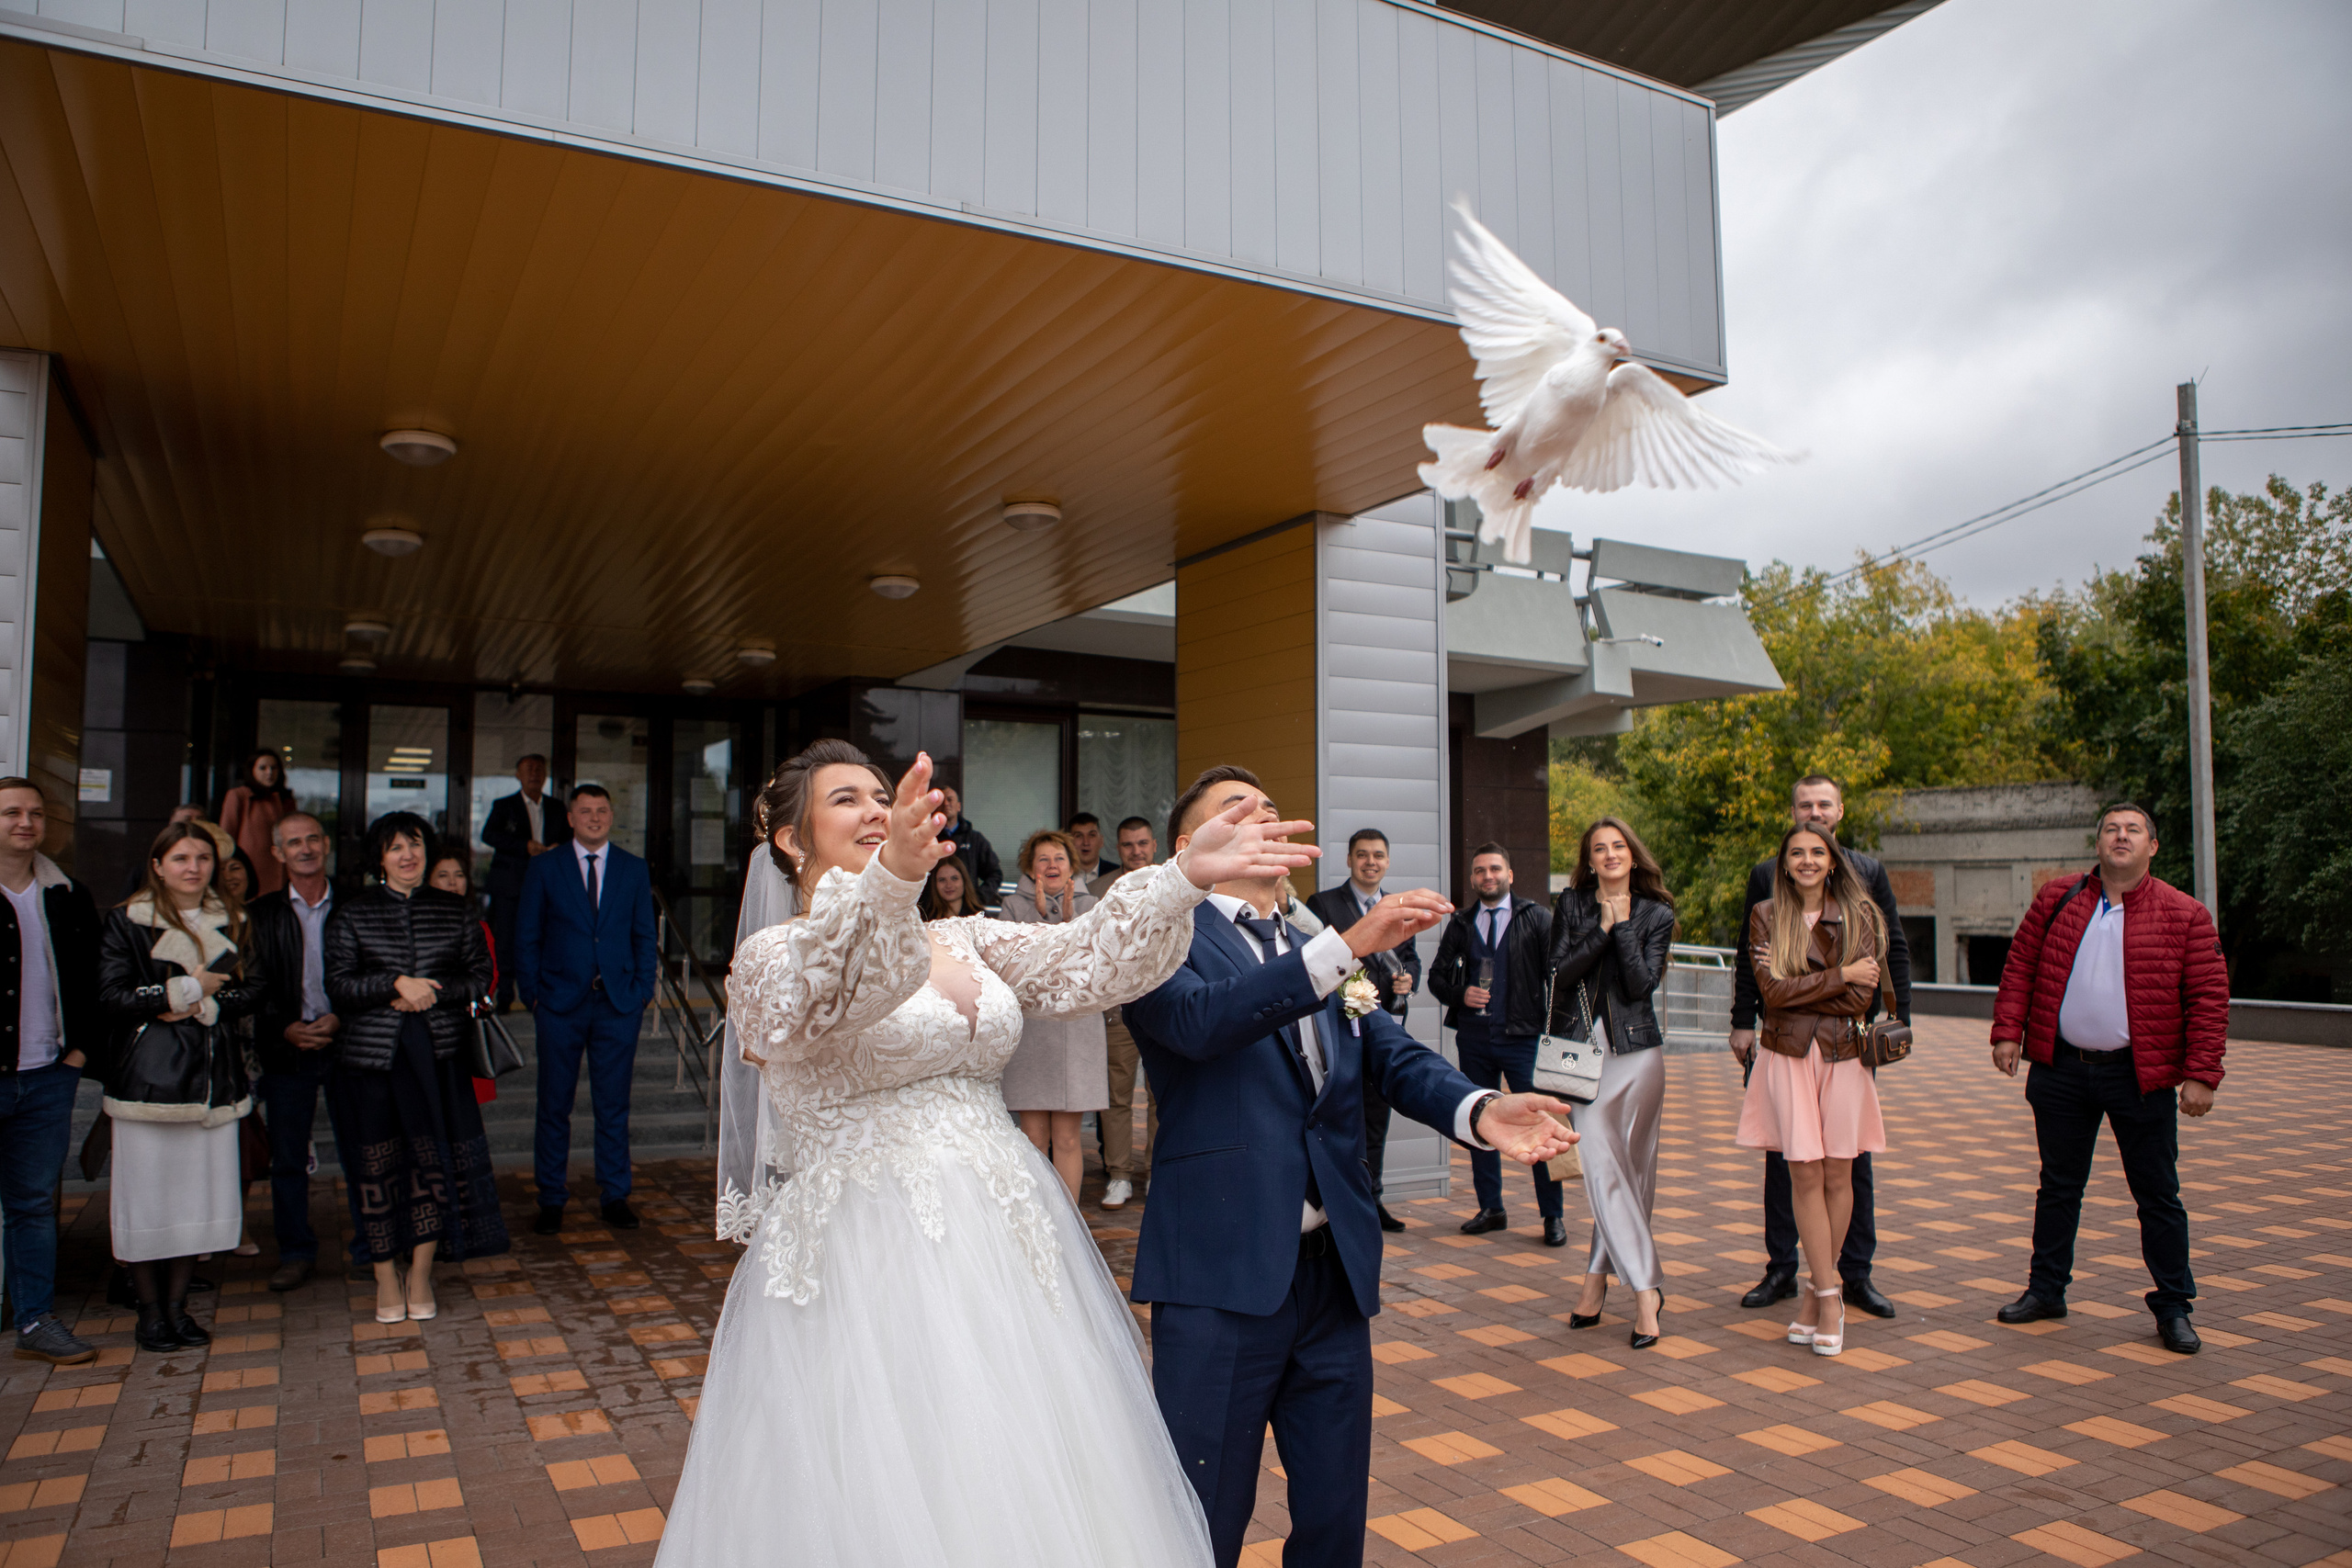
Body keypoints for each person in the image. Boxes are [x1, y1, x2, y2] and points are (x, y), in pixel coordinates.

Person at [659, 740, 1311, 1568]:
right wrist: (890, 881)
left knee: (1031, 1475)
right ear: (791, 839)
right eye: (847, 799)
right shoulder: (770, 960)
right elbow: (842, 990)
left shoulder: (967, 937)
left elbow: (1086, 959)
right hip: (865, 1259)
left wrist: (1182, 877)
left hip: (1004, 1248)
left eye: (882, 795)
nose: (876, 810)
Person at [1125, 768, 1575, 1568]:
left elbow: (1387, 1051)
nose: (1263, 817)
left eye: (1270, 807)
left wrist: (1477, 1109)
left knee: (1335, 1523)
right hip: (1220, 1277)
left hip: (1333, 1276)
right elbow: (1202, 1022)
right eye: (1237, 811)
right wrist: (1342, 947)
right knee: (1201, 1523)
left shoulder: (1318, 950)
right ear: (1189, 846)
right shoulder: (1158, 939)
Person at [1988, 804, 2225, 1357]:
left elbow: (2209, 999)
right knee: (2058, 1187)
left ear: (2152, 846)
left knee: (2157, 1195)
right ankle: (2046, 1290)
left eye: (2133, 830)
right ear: (2097, 843)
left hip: (2138, 1076)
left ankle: (2173, 1306)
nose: (2121, 837)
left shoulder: (2184, 914)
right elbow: (2020, 966)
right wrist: (2007, 1032)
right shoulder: (2057, 898)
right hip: (2061, 1069)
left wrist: (2202, 1074)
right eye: (2111, 830)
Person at [1728, 774, 1905, 1321]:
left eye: (1823, 804)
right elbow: (1764, 981)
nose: (1814, 812)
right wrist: (1744, 1018)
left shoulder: (1866, 879)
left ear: (1839, 812)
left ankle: (1853, 1275)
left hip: (1845, 1047)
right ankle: (1783, 1268)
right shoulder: (1766, 889)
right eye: (1804, 804)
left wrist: (1896, 1018)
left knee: (1847, 1165)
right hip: (1786, 1047)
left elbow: (1880, 969)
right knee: (1788, 1162)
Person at [324, 813, 505, 1324]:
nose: (408, 855)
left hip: (437, 1056)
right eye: (396, 847)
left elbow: (480, 977)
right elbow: (338, 984)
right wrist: (393, 985)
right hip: (372, 1062)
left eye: (416, 844)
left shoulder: (455, 910)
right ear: (379, 858)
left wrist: (429, 992)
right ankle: (385, 1274)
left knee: (432, 1167)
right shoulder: (353, 913)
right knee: (376, 1169)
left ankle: (420, 1272)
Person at [96, 821, 266, 1353]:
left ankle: (177, 1309)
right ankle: (149, 1314)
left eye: (203, 858)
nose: (193, 868)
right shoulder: (128, 919)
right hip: (148, 1081)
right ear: (157, 865)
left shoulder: (235, 918)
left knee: (196, 1202)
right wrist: (182, 990)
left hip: (213, 1082)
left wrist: (204, 1004)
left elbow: (256, 989)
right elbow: (112, 995)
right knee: (147, 1202)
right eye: (180, 858)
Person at [1549, 818, 1678, 1348]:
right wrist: (1601, 929)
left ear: (1632, 854)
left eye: (1618, 846)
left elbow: (1640, 984)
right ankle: (1647, 1291)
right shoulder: (1572, 904)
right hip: (1583, 1055)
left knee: (1631, 1172)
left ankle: (1595, 1281)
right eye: (1599, 848)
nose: (1609, 854)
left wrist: (1623, 926)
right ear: (1589, 859)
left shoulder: (1657, 913)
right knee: (1604, 1166)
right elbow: (1559, 973)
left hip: (1638, 1057)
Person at [514, 784, 657, 1235]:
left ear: (611, 816)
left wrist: (642, 992)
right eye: (585, 811)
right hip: (559, 1004)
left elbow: (644, 935)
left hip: (617, 1003)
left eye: (602, 810)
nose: (594, 817)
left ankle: (615, 1194)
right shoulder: (545, 868)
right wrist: (532, 995)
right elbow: (527, 935)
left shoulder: (633, 868)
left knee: (613, 1106)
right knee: (553, 1106)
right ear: (570, 819)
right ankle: (551, 1198)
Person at [0, 778, 104, 1365]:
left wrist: (79, 1053)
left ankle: (35, 1321)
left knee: (34, 1206)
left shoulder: (66, 893)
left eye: (35, 813)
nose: (25, 822)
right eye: (12, 812)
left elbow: (92, 979)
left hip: (46, 1076)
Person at [246, 811, 371, 1292]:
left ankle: (370, 1249)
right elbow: (253, 989)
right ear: (278, 853)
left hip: (349, 1044)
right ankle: (296, 1253)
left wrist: (342, 1017)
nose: (305, 849)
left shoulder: (357, 905)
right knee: (288, 1160)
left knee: (362, 1151)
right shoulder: (261, 914)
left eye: (313, 839)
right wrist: (285, 1028)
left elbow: (372, 975)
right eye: (294, 842)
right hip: (288, 1050)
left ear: (326, 845)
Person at [1427, 843, 1563, 1245]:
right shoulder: (1461, 923)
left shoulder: (1537, 918)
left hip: (1524, 1039)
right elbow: (1436, 978)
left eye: (1495, 869)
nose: (1488, 876)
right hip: (1474, 1039)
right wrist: (1460, 994)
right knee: (1480, 1122)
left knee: (1539, 1125)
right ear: (1472, 878)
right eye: (1480, 870)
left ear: (1510, 875)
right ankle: (1491, 1208)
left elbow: (1558, 977)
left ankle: (1552, 1216)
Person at [1305, 829, 1424, 1234]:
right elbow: (1316, 959)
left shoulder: (1397, 906)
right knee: (1338, 1118)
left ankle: (1373, 1200)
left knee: (1376, 1120)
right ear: (1349, 860)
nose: (1370, 862)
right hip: (1339, 1030)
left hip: (1383, 1027)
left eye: (1377, 855)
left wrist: (1409, 979)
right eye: (1362, 855)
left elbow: (1409, 957)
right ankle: (1336, 1202)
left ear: (1387, 861)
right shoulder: (1323, 904)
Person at [1000, 830, 1105, 1202]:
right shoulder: (1013, 906)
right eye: (1042, 859)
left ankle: (1069, 1222)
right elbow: (1010, 964)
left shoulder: (1092, 904)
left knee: (1068, 1138)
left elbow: (1095, 962)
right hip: (1032, 1032)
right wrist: (1040, 915)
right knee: (1033, 1137)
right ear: (1031, 869)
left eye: (1059, 858)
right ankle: (1039, 1219)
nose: (1052, 865)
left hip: (1077, 1029)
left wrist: (1071, 919)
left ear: (1071, 866)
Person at [1092, 818, 1159, 1210]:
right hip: (1118, 1005)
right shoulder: (1100, 889)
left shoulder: (1173, 883)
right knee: (1116, 1096)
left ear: (1154, 845)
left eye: (1142, 843)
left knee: (1160, 1094)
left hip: (1163, 1002)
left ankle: (1155, 1170)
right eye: (1128, 845)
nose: (1136, 851)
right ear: (1118, 848)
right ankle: (1119, 1175)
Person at [481, 754, 566, 1011]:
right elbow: (489, 835)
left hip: (546, 884)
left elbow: (570, 838)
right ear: (518, 775)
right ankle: (505, 995)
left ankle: (534, 995)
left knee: (540, 939)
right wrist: (524, 846)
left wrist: (558, 847)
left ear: (546, 775)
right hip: (510, 884)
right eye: (529, 769)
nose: (534, 773)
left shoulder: (557, 807)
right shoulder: (504, 805)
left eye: (539, 769)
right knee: (506, 940)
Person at [429, 851, 501, 1105]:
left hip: (466, 1029)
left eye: (459, 875)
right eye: (443, 875)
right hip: (426, 1030)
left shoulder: (479, 928)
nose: (453, 882)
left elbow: (489, 978)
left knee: (463, 1109)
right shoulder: (417, 925)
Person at [217, 750, 293, 897]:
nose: (269, 772)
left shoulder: (285, 799)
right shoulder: (239, 796)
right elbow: (226, 836)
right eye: (263, 768)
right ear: (252, 770)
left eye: (274, 768)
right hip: (251, 868)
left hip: (282, 868)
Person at [936, 783, 1003, 902]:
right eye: (941, 801)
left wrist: (977, 899)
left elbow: (995, 874)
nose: (946, 804)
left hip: (968, 910)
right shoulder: (929, 839)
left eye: (950, 799)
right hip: (935, 909)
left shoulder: (975, 839)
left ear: (959, 806)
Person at [920, 853, 989, 921]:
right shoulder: (925, 918)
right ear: (934, 884)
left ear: (964, 881)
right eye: (942, 880)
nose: (949, 885)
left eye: (954, 878)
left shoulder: (980, 917)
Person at [1066, 813, 1120, 880]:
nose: (1086, 843)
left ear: (1101, 841)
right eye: (1079, 836)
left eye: (1092, 835)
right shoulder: (1061, 874)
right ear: (1069, 842)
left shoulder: (1117, 874)